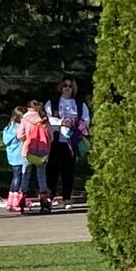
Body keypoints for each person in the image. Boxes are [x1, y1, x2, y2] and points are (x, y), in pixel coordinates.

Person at [43, 77, 90, 209]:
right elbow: (47, 118)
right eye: (65, 86)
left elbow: (86, 119)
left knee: (68, 171)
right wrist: (61, 122)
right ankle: (50, 197)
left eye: (70, 86)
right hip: (56, 140)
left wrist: (77, 125)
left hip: (72, 141)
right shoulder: (53, 102)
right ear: (60, 88)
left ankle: (67, 198)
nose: (67, 88)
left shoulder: (79, 103)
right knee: (52, 169)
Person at [19, 100, 52, 212]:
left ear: (29, 108)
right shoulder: (44, 119)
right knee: (41, 175)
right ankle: (44, 200)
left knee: (26, 174)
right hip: (42, 152)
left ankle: (22, 196)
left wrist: (26, 139)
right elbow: (51, 137)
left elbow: (19, 135)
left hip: (28, 150)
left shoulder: (25, 119)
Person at [0, 106, 29, 212]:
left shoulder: (9, 128)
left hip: (12, 156)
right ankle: (17, 200)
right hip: (20, 155)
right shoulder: (20, 128)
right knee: (19, 178)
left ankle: (11, 201)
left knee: (15, 177)